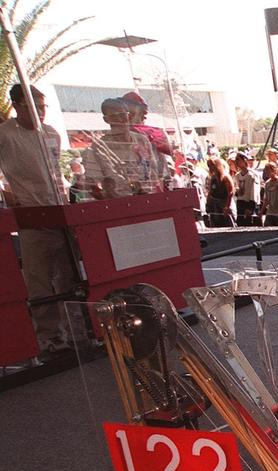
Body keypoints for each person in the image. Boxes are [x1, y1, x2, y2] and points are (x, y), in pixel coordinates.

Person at [0, 83, 74, 355]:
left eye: (43, 107)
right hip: (29, 215)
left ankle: (75, 329)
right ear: (18, 106)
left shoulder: (52, 134)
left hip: (59, 212)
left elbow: (56, 172)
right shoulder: (5, 135)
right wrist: (6, 194)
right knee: (39, 279)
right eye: (34, 107)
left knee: (68, 276)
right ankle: (50, 335)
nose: (41, 112)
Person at [82, 98, 164, 197]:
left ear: (128, 116)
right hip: (120, 205)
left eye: (122, 114)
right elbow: (92, 185)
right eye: (114, 116)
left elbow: (154, 174)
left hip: (148, 200)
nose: (120, 120)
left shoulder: (142, 140)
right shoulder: (100, 147)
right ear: (106, 120)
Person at [232, 153, 259, 226]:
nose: (236, 162)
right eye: (236, 160)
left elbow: (254, 192)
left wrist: (250, 207)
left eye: (238, 160)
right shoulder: (237, 176)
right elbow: (235, 190)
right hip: (240, 203)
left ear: (244, 161)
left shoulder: (252, 175)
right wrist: (237, 191)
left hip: (249, 203)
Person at [260, 162, 278, 227]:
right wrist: (262, 211)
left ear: (274, 170)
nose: (267, 172)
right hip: (270, 212)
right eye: (266, 170)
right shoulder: (267, 183)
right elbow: (266, 199)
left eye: (268, 170)